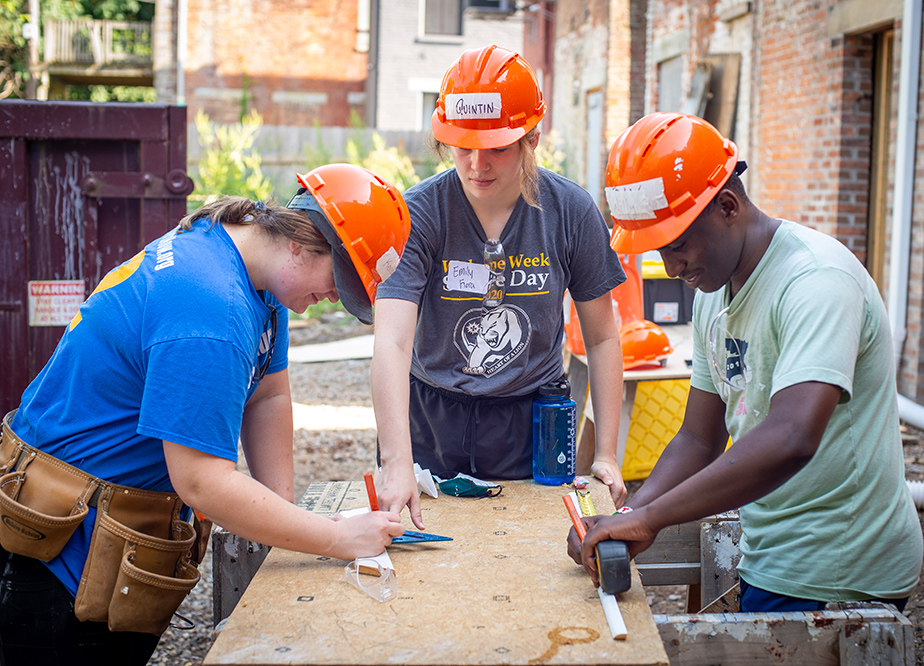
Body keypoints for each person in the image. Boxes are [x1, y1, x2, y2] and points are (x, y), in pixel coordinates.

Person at [0, 163, 410, 665]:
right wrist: (333, 537)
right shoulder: (210, 309)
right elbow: (202, 483)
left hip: (101, 527)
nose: (329, 300)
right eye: (336, 282)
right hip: (54, 552)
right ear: (303, 242)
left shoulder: (252, 268)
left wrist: (281, 519)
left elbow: (269, 396)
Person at [569, 112, 923, 612]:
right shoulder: (715, 289)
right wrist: (626, 514)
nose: (671, 268)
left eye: (677, 245)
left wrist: (651, 518)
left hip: (840, 572)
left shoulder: (815, 281)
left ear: (728, 206)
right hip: (770, 556)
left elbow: (792, 437)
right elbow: (699, 437)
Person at [372, 44, 628, 529]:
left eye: (496, 148)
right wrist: (396, 460)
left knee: (534, 551)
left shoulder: (570, 212)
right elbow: (392, 339)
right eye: (462, 147)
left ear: (530, 139)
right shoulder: (419, 213)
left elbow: (601, 337)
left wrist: (607, 454)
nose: (476, 165)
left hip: (531, 418)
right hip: (431, 413)